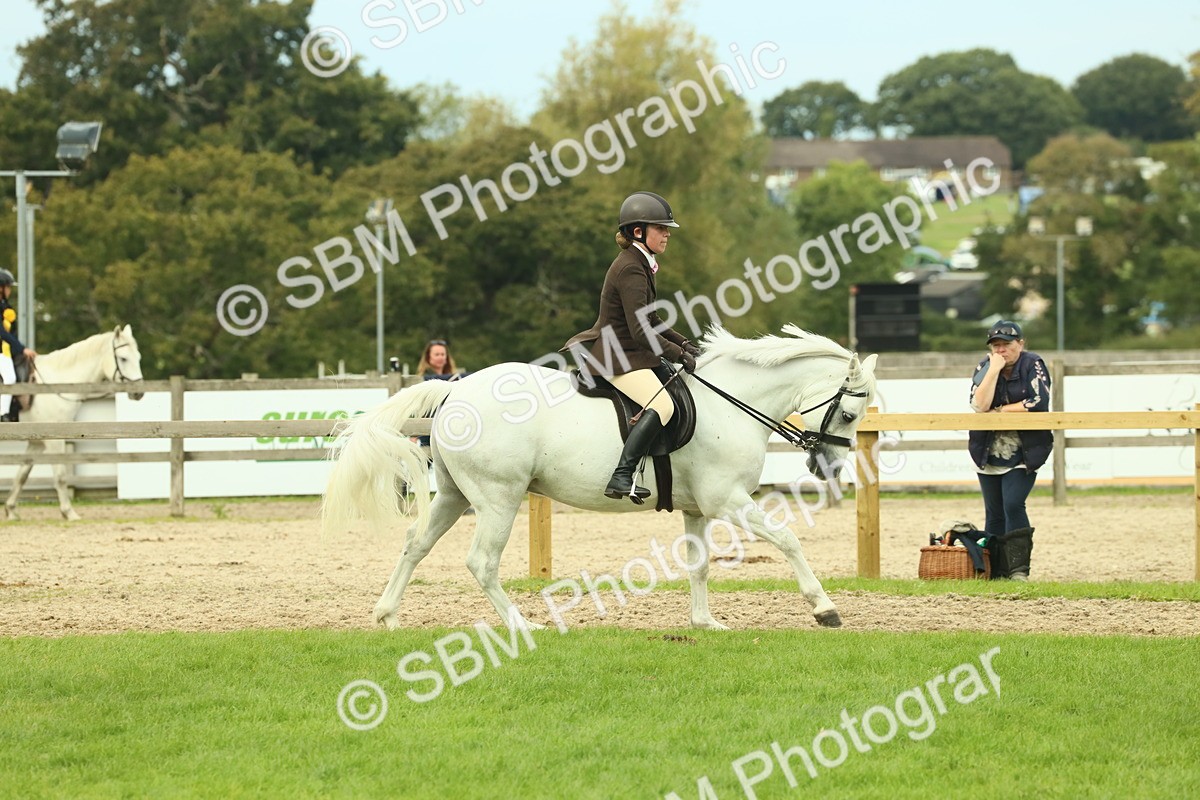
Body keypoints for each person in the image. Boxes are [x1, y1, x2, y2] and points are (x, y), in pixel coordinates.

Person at [562, 191, 699, 503]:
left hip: (631, 353)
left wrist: (686, 345)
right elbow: (640, 331)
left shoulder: (640, 262)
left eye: (667, 229)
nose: (667, 234)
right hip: (618, 357)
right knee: (663, 405)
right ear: (639, 231)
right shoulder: (631, 268)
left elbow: (652, 319)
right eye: (661, 228)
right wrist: (677, 354)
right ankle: (622, 475)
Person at [968, 320, 1051, 580]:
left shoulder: (1033, 363)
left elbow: (1038, 402)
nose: (1001, 350)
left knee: (1013, 504)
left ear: (1020, 344)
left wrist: (1001, 410)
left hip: (1024, 450)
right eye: (996, 346)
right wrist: (993, 371)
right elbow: (978, 405)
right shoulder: (985, 366)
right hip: (988, 450)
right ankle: (996, 572)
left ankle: (1018, 569)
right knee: (993, 512)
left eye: (1007, 345)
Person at [0, 268, 36, 422]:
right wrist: (22, 348)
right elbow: (2, 332)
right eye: (8, 287)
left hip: (5, 351)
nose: (9, 290)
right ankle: (3, 414)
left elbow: (11, 334)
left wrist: (20, 351)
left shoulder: (5, 306)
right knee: (9, 377)